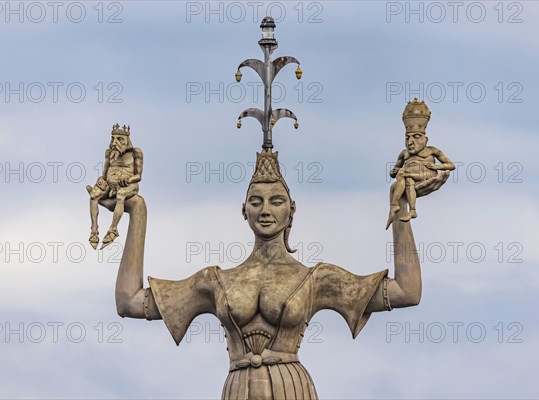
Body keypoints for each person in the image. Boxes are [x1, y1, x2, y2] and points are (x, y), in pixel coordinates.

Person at [100, 145, 450, 399]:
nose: (265, 210)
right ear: (244, 210)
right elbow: (129, 302)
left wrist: (401, 209)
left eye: (276, 201)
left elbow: (407, 291)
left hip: (291, 388)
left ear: (291, 210)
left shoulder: (316, 279)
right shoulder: (216, 280)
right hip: (238, 389)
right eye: (256, 201)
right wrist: (137, 213)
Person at [386, 99, 455, 230]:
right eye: (407, 138)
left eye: (416, 136)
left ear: (425, 139)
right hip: (411, 177)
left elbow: (451, 165)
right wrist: (393, 172)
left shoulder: (431, 150)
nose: (410, 142)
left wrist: (437, 167)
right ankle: (412, 210)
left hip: (427, 174)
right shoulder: (404, 154)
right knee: (407, 180)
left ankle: (394, 205)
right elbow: (395, 170)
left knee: (403, 174)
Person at [86, 124, 143, 249]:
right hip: (111, 185)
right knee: (93, 196)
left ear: (127, 140)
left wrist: (128, 179)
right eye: (113, 138)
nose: (115, 142)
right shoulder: (109, 153)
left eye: (119, 139)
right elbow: (105, 174)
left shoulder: (135, 153)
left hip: (128, 185)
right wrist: (101, 182)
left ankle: (113, 229)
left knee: (121, 195)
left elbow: (138, 175)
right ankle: (94, 230)